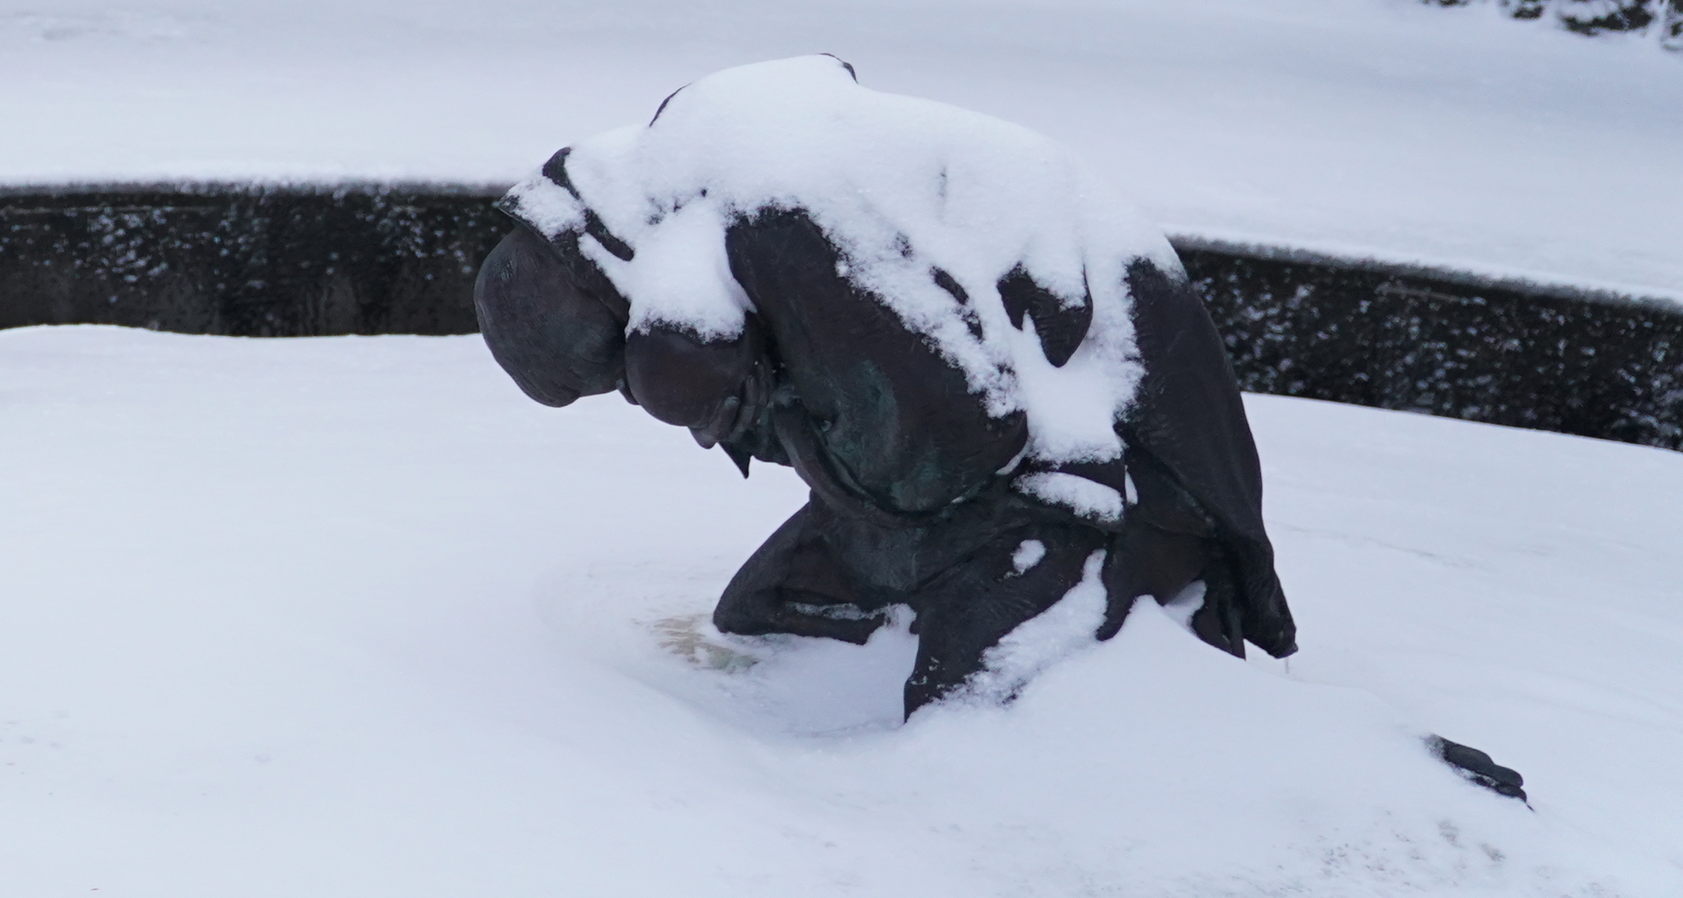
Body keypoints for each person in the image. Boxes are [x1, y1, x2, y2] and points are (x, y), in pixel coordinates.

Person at [473, 55, 1296, 711]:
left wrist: (749, 394)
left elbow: (965, 440)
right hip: (943, 477)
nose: (633, 396)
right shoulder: (688, 190)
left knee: (965, 721)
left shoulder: (788, 233)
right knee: (763, 617)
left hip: (1096, 471)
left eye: (617, 376)